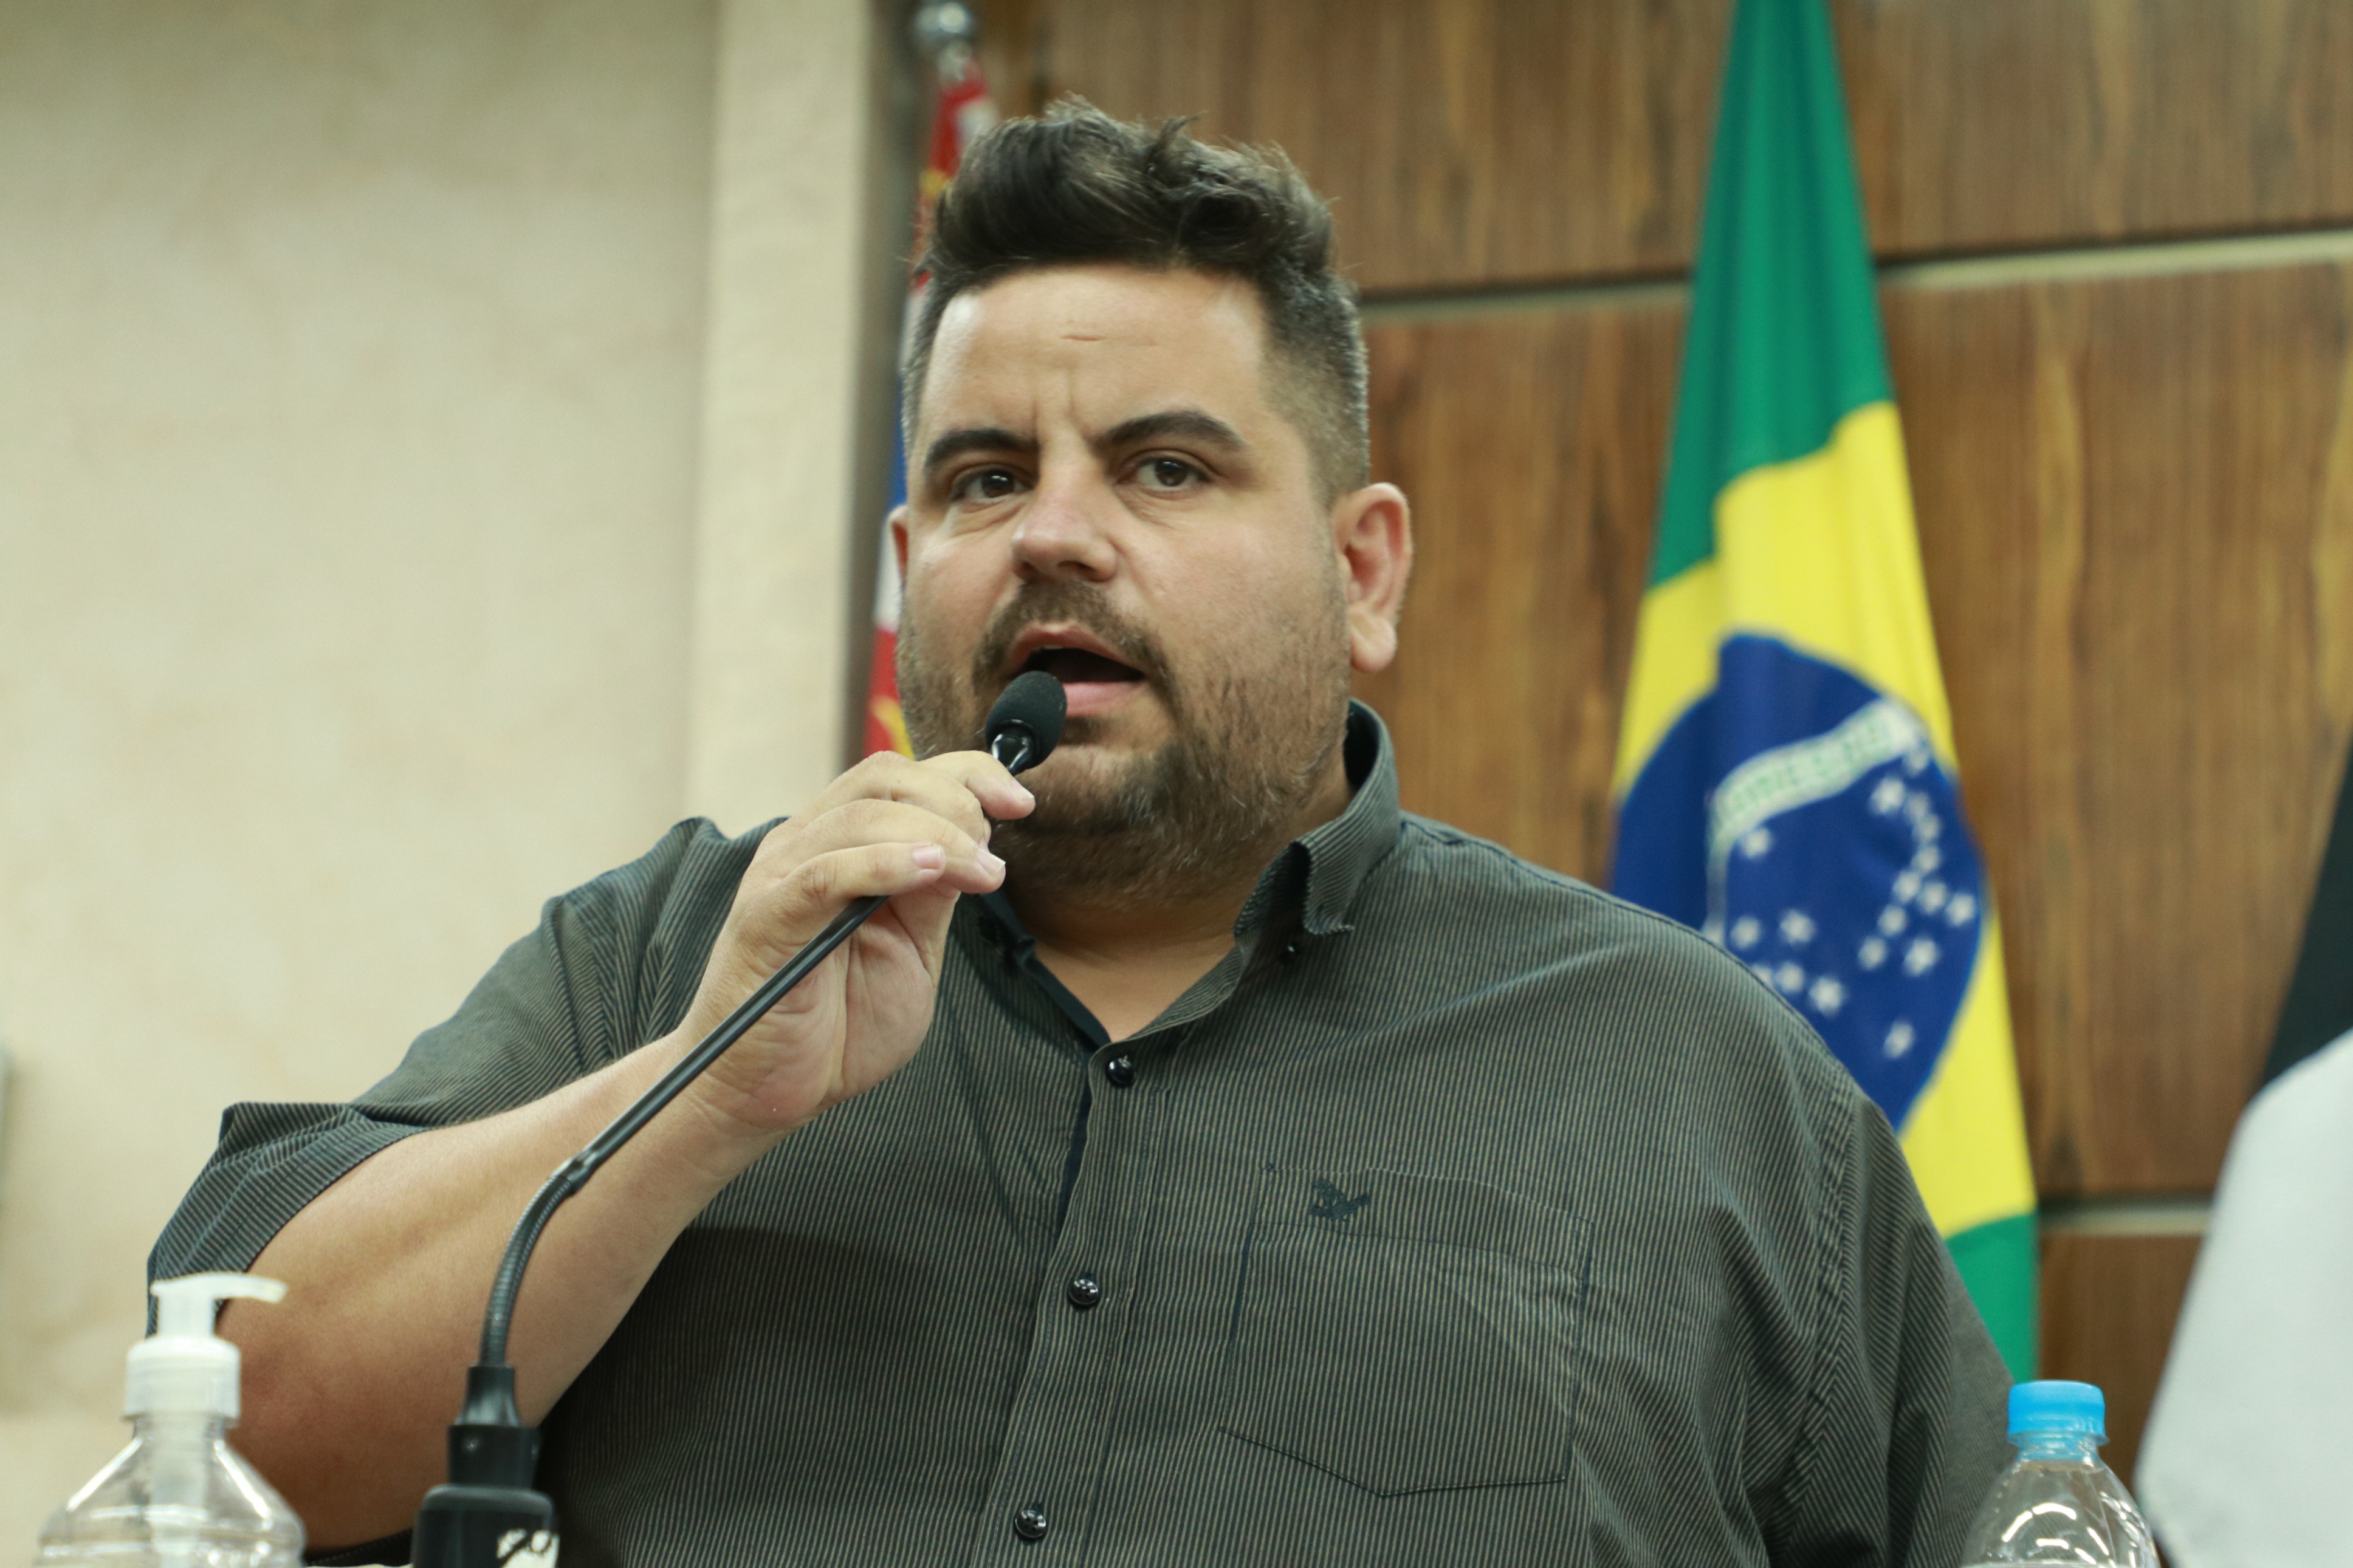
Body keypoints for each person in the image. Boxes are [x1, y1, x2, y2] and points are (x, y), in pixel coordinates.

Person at [154, 103, 2008, 1567]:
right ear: (913, 573)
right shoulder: (672, 959)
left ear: (1362, 572)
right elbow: (233, 1444)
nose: (1053, 533)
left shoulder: (1694, 1078)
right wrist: (702, 1091)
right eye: (986, 480)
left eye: (1164, 468)